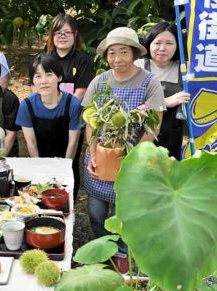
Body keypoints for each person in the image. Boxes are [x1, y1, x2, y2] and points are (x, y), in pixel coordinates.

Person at [82, 27, 165, 259]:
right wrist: (94, 154)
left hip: (131, 157)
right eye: (111, 53)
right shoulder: (100, 82)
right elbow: (90, 122)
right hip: (100, 155)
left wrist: (132, 156)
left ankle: (123, 255)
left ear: (134, 54)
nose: (117, 59)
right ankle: (102, 251)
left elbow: (153, 125)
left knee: (124, 214)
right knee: (96, 212)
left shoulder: (149, 82)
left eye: (123, 52)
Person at [46, 13, 94, 202]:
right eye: (58, 32)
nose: (62, 36)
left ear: (75, 35)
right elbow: (36, 87)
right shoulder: (46, 58)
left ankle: (67, 203)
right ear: (51, 36)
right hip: (46, 117)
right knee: (46, 158)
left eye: (67, 32)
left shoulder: (83, 60)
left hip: (72, 118)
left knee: (70, 160)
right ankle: (46, 198)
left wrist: (62, 110)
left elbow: (81, 91)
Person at [135, 21, 190, 160]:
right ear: (149, 43)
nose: (162, 48)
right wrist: (165, 102)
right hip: (142, 136)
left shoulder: (186, 68)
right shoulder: (138, 67)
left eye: (169, 43)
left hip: (175, 139)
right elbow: (130, 107)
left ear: (178, 45)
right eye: (157, 42)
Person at [16, 53, 82, 160]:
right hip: (37, 162)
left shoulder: (73, 105)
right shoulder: (26, 106)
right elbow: (31, 143)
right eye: (38, 76)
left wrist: (64, 168)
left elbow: (73, 143)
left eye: (49, 75)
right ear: (32, 81)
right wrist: (41, 170)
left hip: (67, 163)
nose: (44, 81)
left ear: (59, 77)